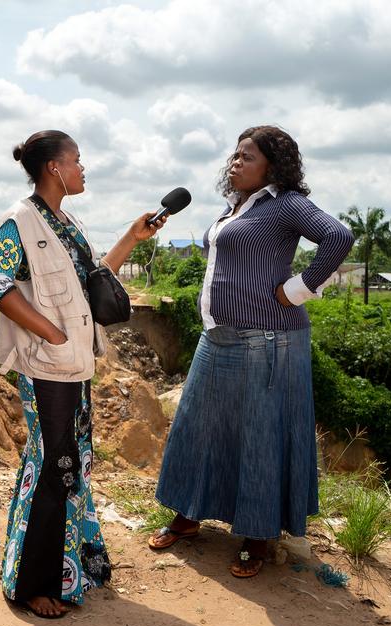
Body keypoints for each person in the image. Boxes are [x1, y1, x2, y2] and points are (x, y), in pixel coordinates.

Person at [150, 126, 354, 578]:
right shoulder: (235, 208)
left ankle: (257, 536)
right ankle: (188, 516)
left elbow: (339, 237)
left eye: (247, 157)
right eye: (235, 155)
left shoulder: (287, 204)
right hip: (217, 336)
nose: (235, 162)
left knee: (260, 440)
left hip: (267, 340)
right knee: (197, 428)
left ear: (272, 166)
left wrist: (298, 290)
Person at [0, 130, 166, 617]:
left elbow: (95, 280)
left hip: (73, 367)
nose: (83, 169)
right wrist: (52, 333)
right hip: (47, 367)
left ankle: (74, 565)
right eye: (77, 161)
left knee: (70, 463)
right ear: (54, 169)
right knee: (52, 465)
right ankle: (34, 584)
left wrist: (132, 237)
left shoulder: (67, 221)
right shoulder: (18, 221)